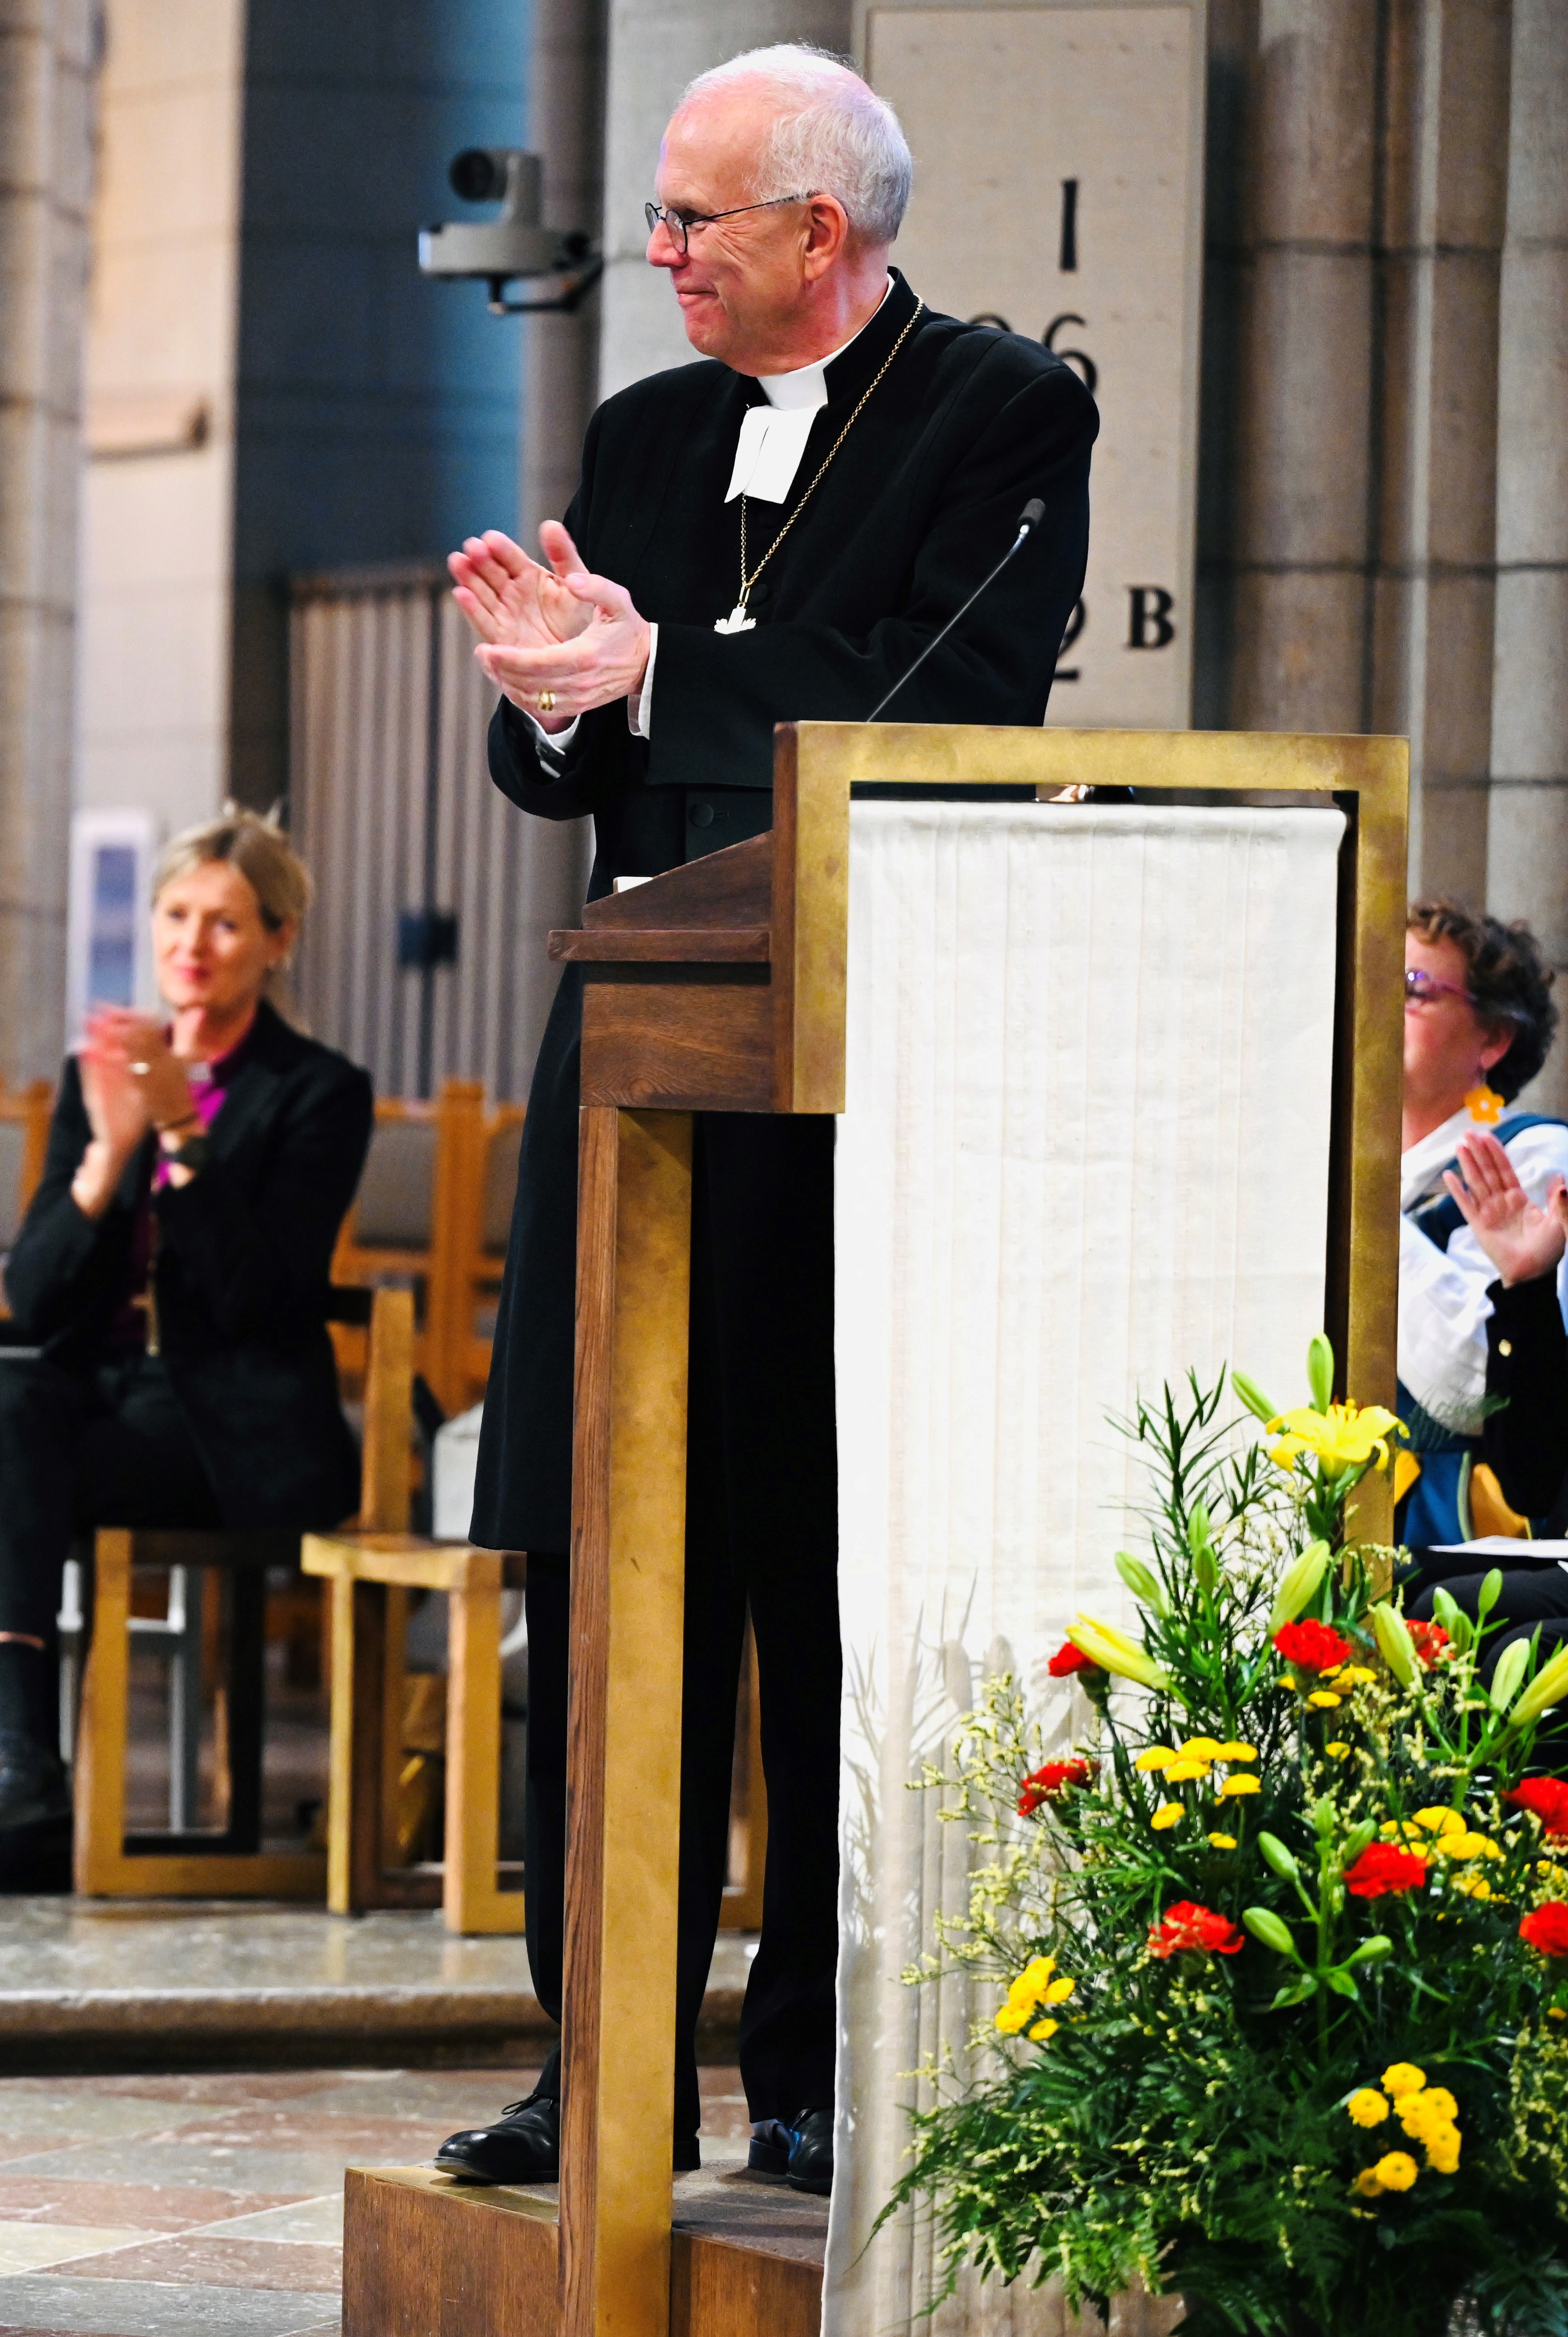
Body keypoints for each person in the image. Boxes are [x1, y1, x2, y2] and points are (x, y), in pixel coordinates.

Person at [435, 45, 1096, 2196]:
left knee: (808, 1575)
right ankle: (590, 2047)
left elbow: (940, 699)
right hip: (625, 1047)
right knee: (595, 1567)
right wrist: (551, 705)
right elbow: (576, 771)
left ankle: (801, 2054)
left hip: (837, 1067)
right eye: (651, 213)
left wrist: (645, 683)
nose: (652, 255)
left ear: (820, 233)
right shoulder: (635, 435)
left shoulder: (999, 417)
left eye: (689, 221)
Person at [0, 812, 374, 1896]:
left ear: (277, 941)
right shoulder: (98, 1081)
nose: (191, 945)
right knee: (3, 1405)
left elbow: (262, 1300)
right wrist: (107, 1154)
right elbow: (30, 1295)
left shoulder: (315, 1093)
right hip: (108, 1402)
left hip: (228, 1426)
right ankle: (23, 1769)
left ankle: (18, 1786)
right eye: (174, 917)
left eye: (222, 923)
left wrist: (184, 1143)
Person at [1396, 902, 1568, 1546]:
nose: (1377, 1002)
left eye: (1412, 988)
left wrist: (1361, 1218)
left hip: (1453, 1545)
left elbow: (1475, 1392)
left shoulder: (1532, 1153)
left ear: (1491, 1039)